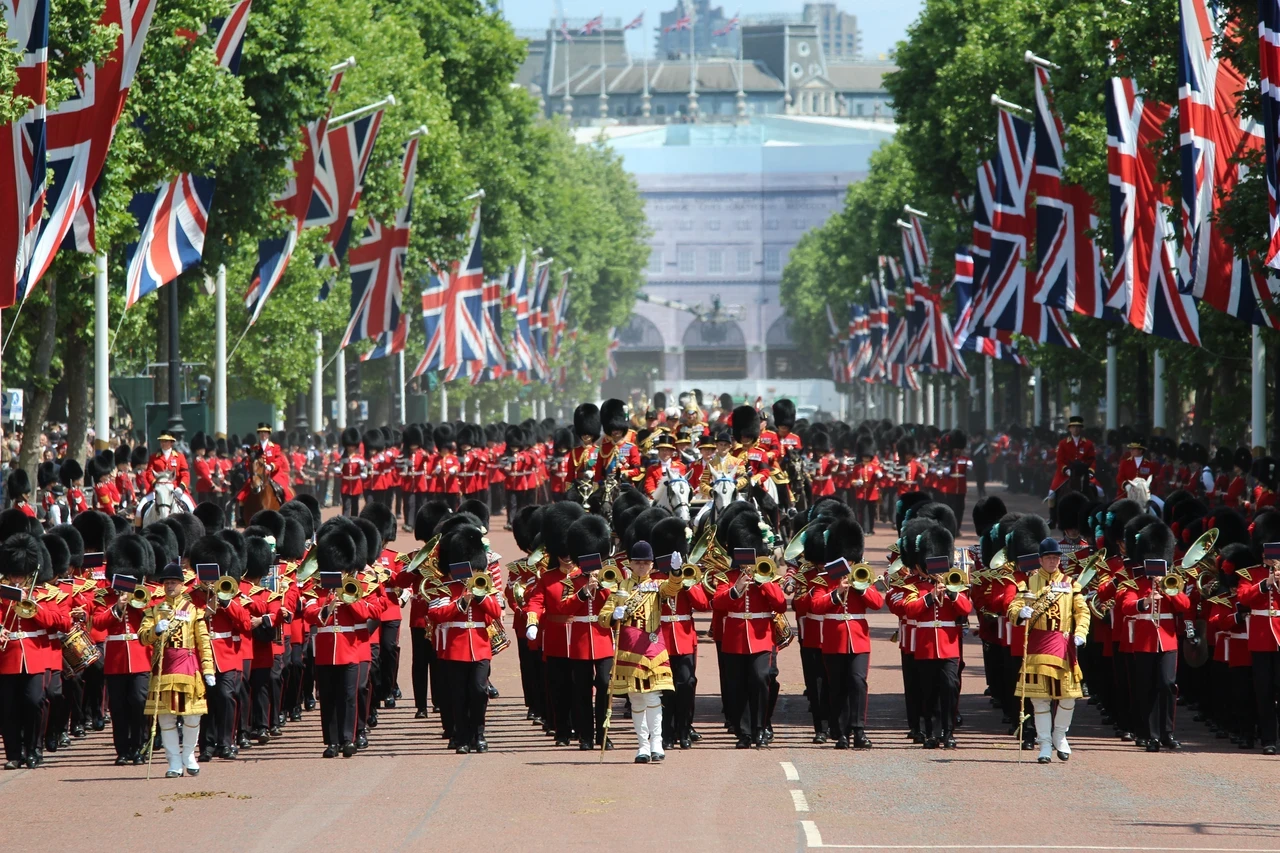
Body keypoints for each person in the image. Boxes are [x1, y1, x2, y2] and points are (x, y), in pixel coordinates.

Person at [1009, 537, 1090, 763]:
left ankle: (1060, 735)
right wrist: (1020, 613)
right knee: (1040, 699)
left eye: (1056, 557)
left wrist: (1081, 632)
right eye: (1049, 558)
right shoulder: (1029, 583)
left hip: (1063, 646)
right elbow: (1013, 607)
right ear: (1041, 560)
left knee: (1068, 697)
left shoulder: (1070, 584)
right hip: (1038, 645)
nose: (1053, 561)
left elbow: (1082, 611)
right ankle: (1044, 744)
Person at [602, 540, 679, 763]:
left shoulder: (657, 585)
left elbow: (672, 588)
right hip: (629, 647)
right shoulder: (621, 588)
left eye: (646, 563)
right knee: (636, 698)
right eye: (638, 563)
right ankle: (643, 745)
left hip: (652, 645)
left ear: (652, 564)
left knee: (653, 695)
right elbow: (602, 617)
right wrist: (613, 615)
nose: (642, 566)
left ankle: (657, 742)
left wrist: (675, 572)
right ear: (631, 564)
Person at [428, 522, 502, 754]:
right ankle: (461, 737)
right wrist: (462, 602)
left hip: (480, 646)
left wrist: (479, 596)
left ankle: (479, 735)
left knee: (479, 691)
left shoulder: (483, 585)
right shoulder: (443, 587)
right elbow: (436, 614)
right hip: (455, 647)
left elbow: (496, 611)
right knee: (458, 695)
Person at [139, 560, 215, 778]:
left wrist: (208, 669)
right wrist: (155, 630)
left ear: (182, 585)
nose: (170, 586)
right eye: (167, 583)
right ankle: (173, 761)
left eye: (173, 582)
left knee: (192, 716)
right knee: (166, 718)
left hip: (188, 666)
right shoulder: (154, 611)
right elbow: (143, 638)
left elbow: (203, 642)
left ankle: (188, 755)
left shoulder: (194, 611)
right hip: (164, 666)